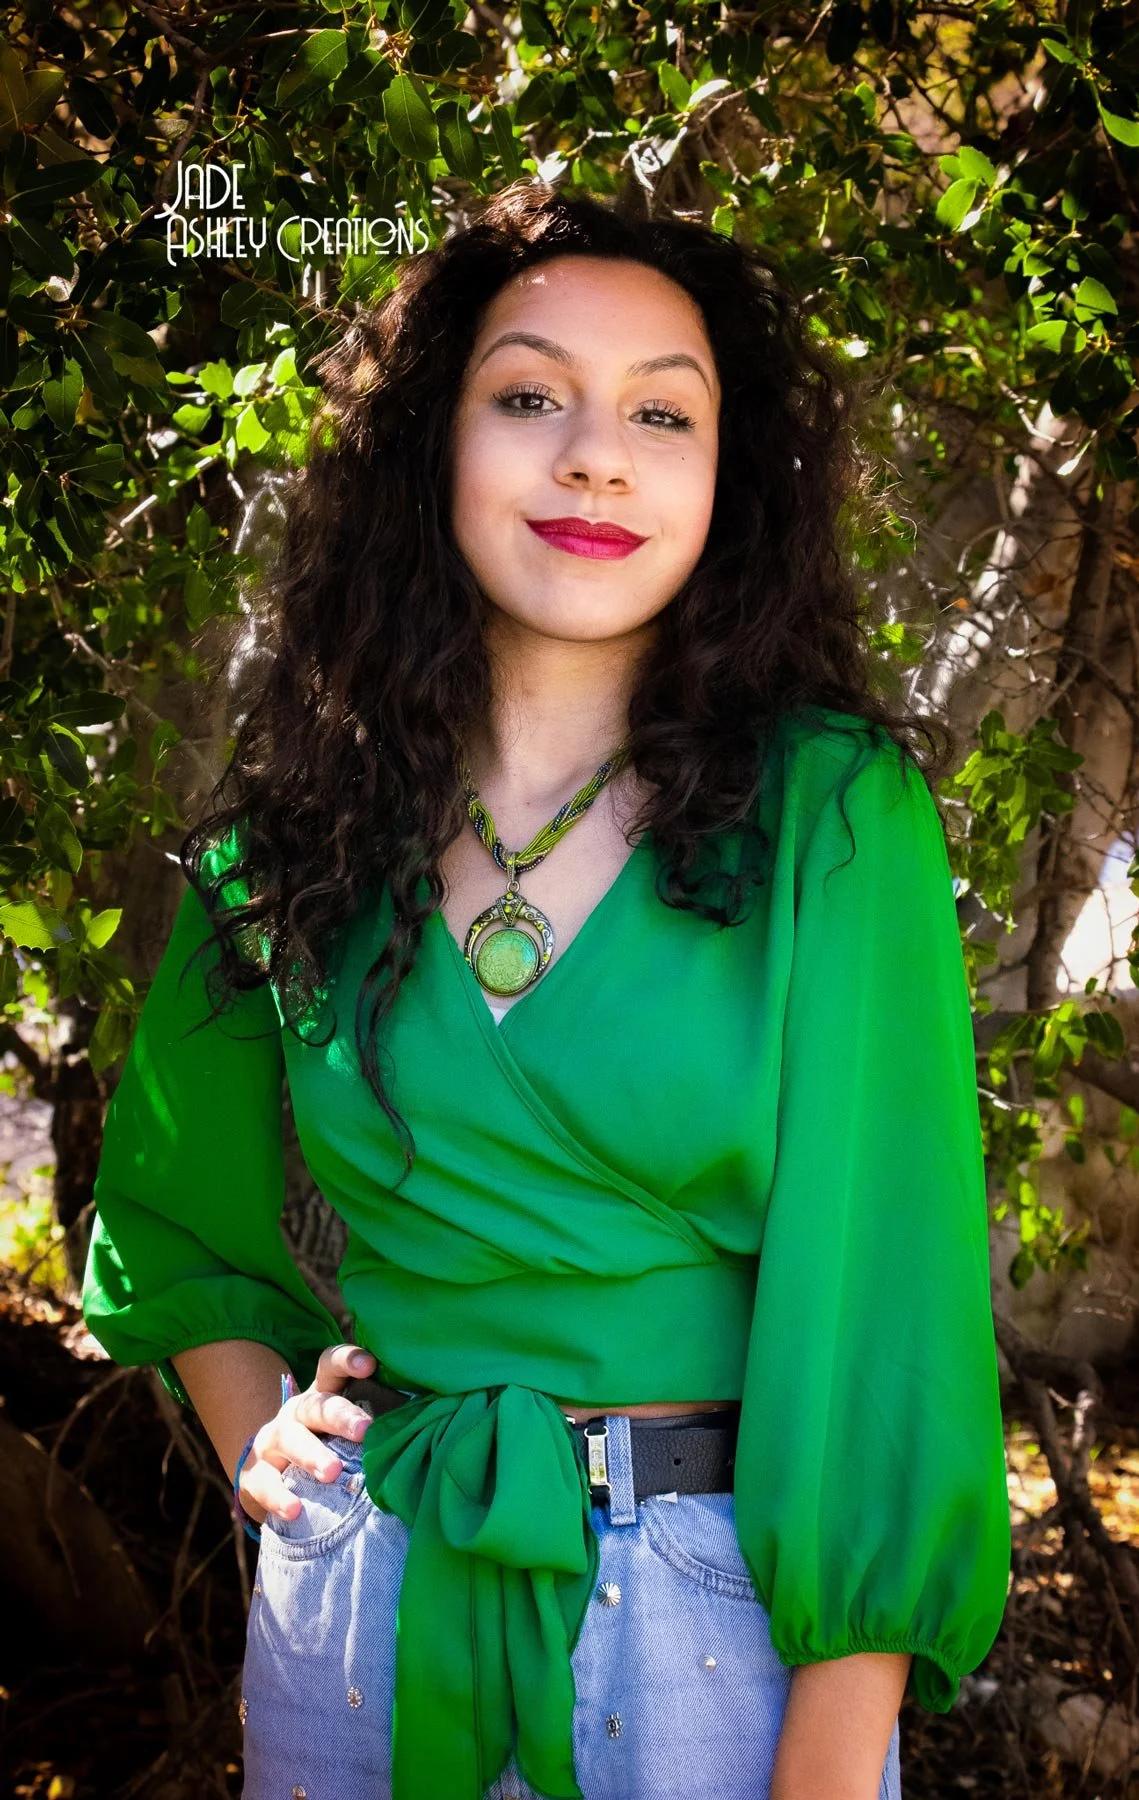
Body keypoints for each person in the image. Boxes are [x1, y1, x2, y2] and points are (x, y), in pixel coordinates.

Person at [81, 179, 1012, 1800]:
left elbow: (889, 1327)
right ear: (427, 448)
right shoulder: (300, 833)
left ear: (729, 480)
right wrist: (259, 1446)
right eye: (529, 398)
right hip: (364, 1593)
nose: (595, 455)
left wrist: (835, 1753)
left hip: (720, 1623)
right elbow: (174, 1213)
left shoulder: (835, 818)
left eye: (665, 413)